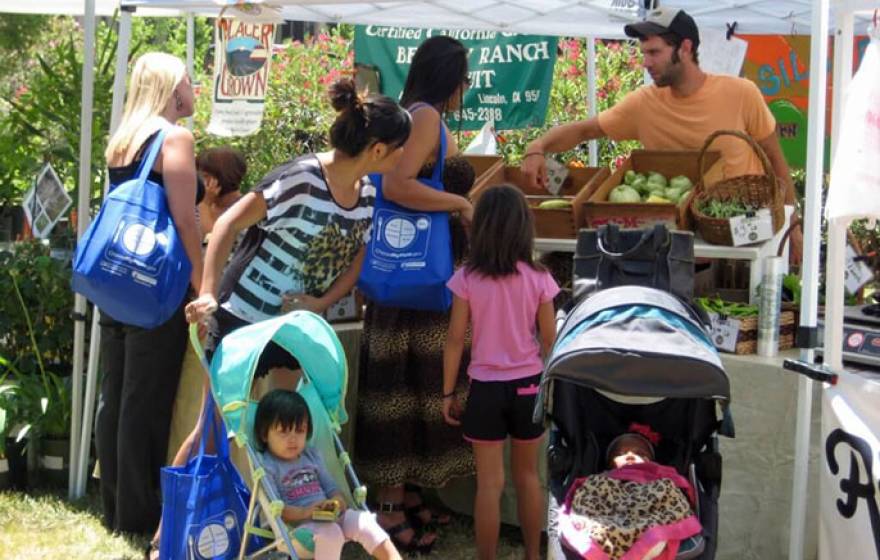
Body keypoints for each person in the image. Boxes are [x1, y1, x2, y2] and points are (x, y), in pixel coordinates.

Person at [154, 79, 409, 559]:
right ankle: (166, 531)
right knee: (216, 427)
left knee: (291, 423)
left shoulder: (368, 194)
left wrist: (320, 303)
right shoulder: (300, 178)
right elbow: (227, 224)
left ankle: (287, 523)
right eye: (398, 150)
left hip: (290, 327)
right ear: (377, 148)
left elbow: (356, 257)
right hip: (241, 315)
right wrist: (208, 295)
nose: (400, 158)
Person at [521, 7, 803, 263]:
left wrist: (793, 227)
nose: (645, 62)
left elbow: (775, 158)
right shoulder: (644, 104)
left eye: (654, 52)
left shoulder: (741, 94)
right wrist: (538, 146)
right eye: (643, 53)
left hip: (745, 246)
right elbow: (585, 129)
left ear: (685, 48)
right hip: (680, 253)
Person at [353, 35, 476, 554]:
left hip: (411, 279)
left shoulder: (415, 115)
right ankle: (388, 504)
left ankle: (405, 497)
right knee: (401, 390)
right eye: (464, 77)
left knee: (413, 387)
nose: (467, 87)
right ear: (451, 77)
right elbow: (397, 186)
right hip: (415, 282)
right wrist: (459, 203)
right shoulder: (425, 117)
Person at [95, 51, 204, 536]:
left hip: (119, 280)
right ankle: (139, 516)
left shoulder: (123, 140)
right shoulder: (174, 138)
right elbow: (186, 220)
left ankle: (116, 507)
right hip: (158, 285)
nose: (195, 87)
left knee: (115, 393)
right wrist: (205, 285)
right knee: (146, 398)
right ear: (171, 87)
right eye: (188, 79)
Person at [442, 184, 558, 560]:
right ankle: (532, 555)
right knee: (528, 478)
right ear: (524, 227)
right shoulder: (540, 278)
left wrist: (447, 393)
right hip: (529, 387)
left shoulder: (468, 278)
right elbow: (549, 340)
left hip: (485, 391)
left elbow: (456, 339)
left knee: (489, 484)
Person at [255, 389, 402, 560]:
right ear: (264, 434)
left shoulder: (311, 456)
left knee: (364, 522)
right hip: (301, 528)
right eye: (284, 432)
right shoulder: (268, 466)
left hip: (329, 516)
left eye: (300, 431)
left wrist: (337, 502)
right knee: (331, 532)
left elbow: (331, 487)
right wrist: (308, 512)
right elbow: (279, 510)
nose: (293, 439)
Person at [558, 424, 702, 560]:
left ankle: (644, 546)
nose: (630, 455)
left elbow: (674, 489)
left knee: (666, 488)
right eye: (621, 453)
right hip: (608, 519)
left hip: (650, 517)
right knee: (593, 488)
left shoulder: (660, 476)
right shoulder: (603, 478)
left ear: (650, 461)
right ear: (610, 462)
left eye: (640, 453)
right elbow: (587, 493)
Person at [196, 146, 246, 238]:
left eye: (205, 176)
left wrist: (205, 204)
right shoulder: (196, 206)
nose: (200, 180)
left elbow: (212, 240)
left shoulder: (245, 209)